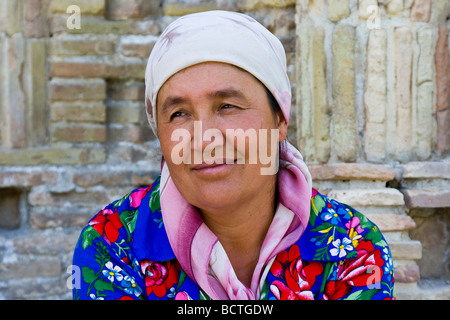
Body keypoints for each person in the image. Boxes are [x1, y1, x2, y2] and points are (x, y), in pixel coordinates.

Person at [72, 10, 395, 300]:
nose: (203, 138)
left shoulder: (351, 244)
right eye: (179, 114)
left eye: (227, 106)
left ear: (280, 119)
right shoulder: (114, 241)